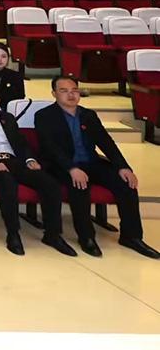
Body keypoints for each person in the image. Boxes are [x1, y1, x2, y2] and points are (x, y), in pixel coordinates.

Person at [34, 77, 159, 259]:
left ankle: (131, 236)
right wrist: (71, 168)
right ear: (54, 94)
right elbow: (50, 148)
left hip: (91, 162)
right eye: (64, 91)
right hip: (60, 165)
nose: (71, 94)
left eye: (74, 90)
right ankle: (87, 237)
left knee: (126, 184)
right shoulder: (44, 116)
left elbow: (106, 142)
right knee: (80, 186)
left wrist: (123, 167)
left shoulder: (88, 115)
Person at [0, 81, 74, 256]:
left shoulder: (8, 118)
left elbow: (21, 143)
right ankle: (13, 234)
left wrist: (29, 159)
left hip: (14, 161)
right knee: (7, 181)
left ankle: (53, 234)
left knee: (49, 183)